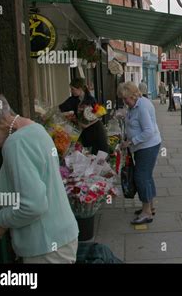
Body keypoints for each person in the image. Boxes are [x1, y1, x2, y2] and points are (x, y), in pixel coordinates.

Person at [0, 89, 79, 263]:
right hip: (57, 237)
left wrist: (0, 222)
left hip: (45, 246)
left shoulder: (16, 143)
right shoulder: (33, 128)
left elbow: (33, 206)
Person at [117, 82, 162, 225]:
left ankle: (146, 212)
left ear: (134, 95)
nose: (125, 102)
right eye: (123, 99)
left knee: (141, 177)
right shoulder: (134, 105)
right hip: (142, 147)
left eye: (126, 99)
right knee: (146, 176)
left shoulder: (142, 106)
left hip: (147, 146)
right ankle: (150, 206)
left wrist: (131, 142)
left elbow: (149, 131)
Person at [59, 78, 109, 155]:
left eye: (72, 89)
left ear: (80, 89)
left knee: (98, 156)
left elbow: (95, 117)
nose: (71, 91)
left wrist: (81, 122)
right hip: (84, 133)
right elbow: (60, 108)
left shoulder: (90, 100)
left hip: (95, 132)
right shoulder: (73, 99)